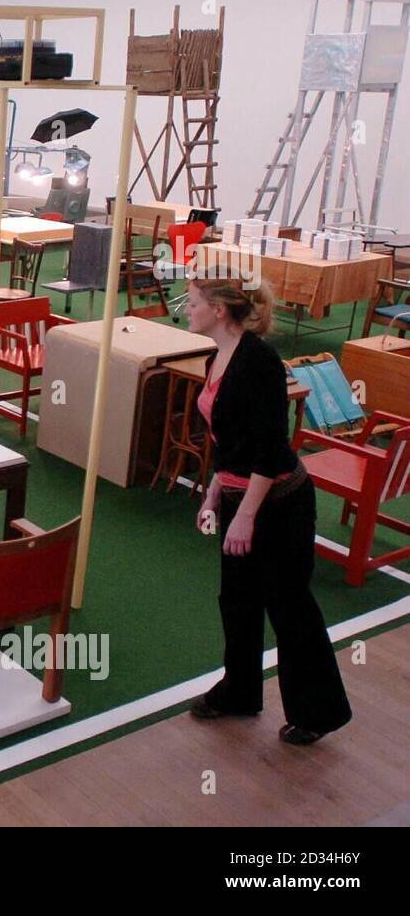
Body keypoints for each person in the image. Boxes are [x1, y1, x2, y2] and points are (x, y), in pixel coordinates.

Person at [184, 275, 351, 746]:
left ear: (219, 311)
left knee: (289, 606)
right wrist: (217, 490)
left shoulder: (260, 362)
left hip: (278, 505)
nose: (187, 309)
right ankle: (239, 691)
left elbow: (270, 449)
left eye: (194, 303)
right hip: (241, 495)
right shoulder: (215, 358)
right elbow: (227, 438)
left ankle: (319, 712)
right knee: (236, 601)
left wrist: (246, 514)